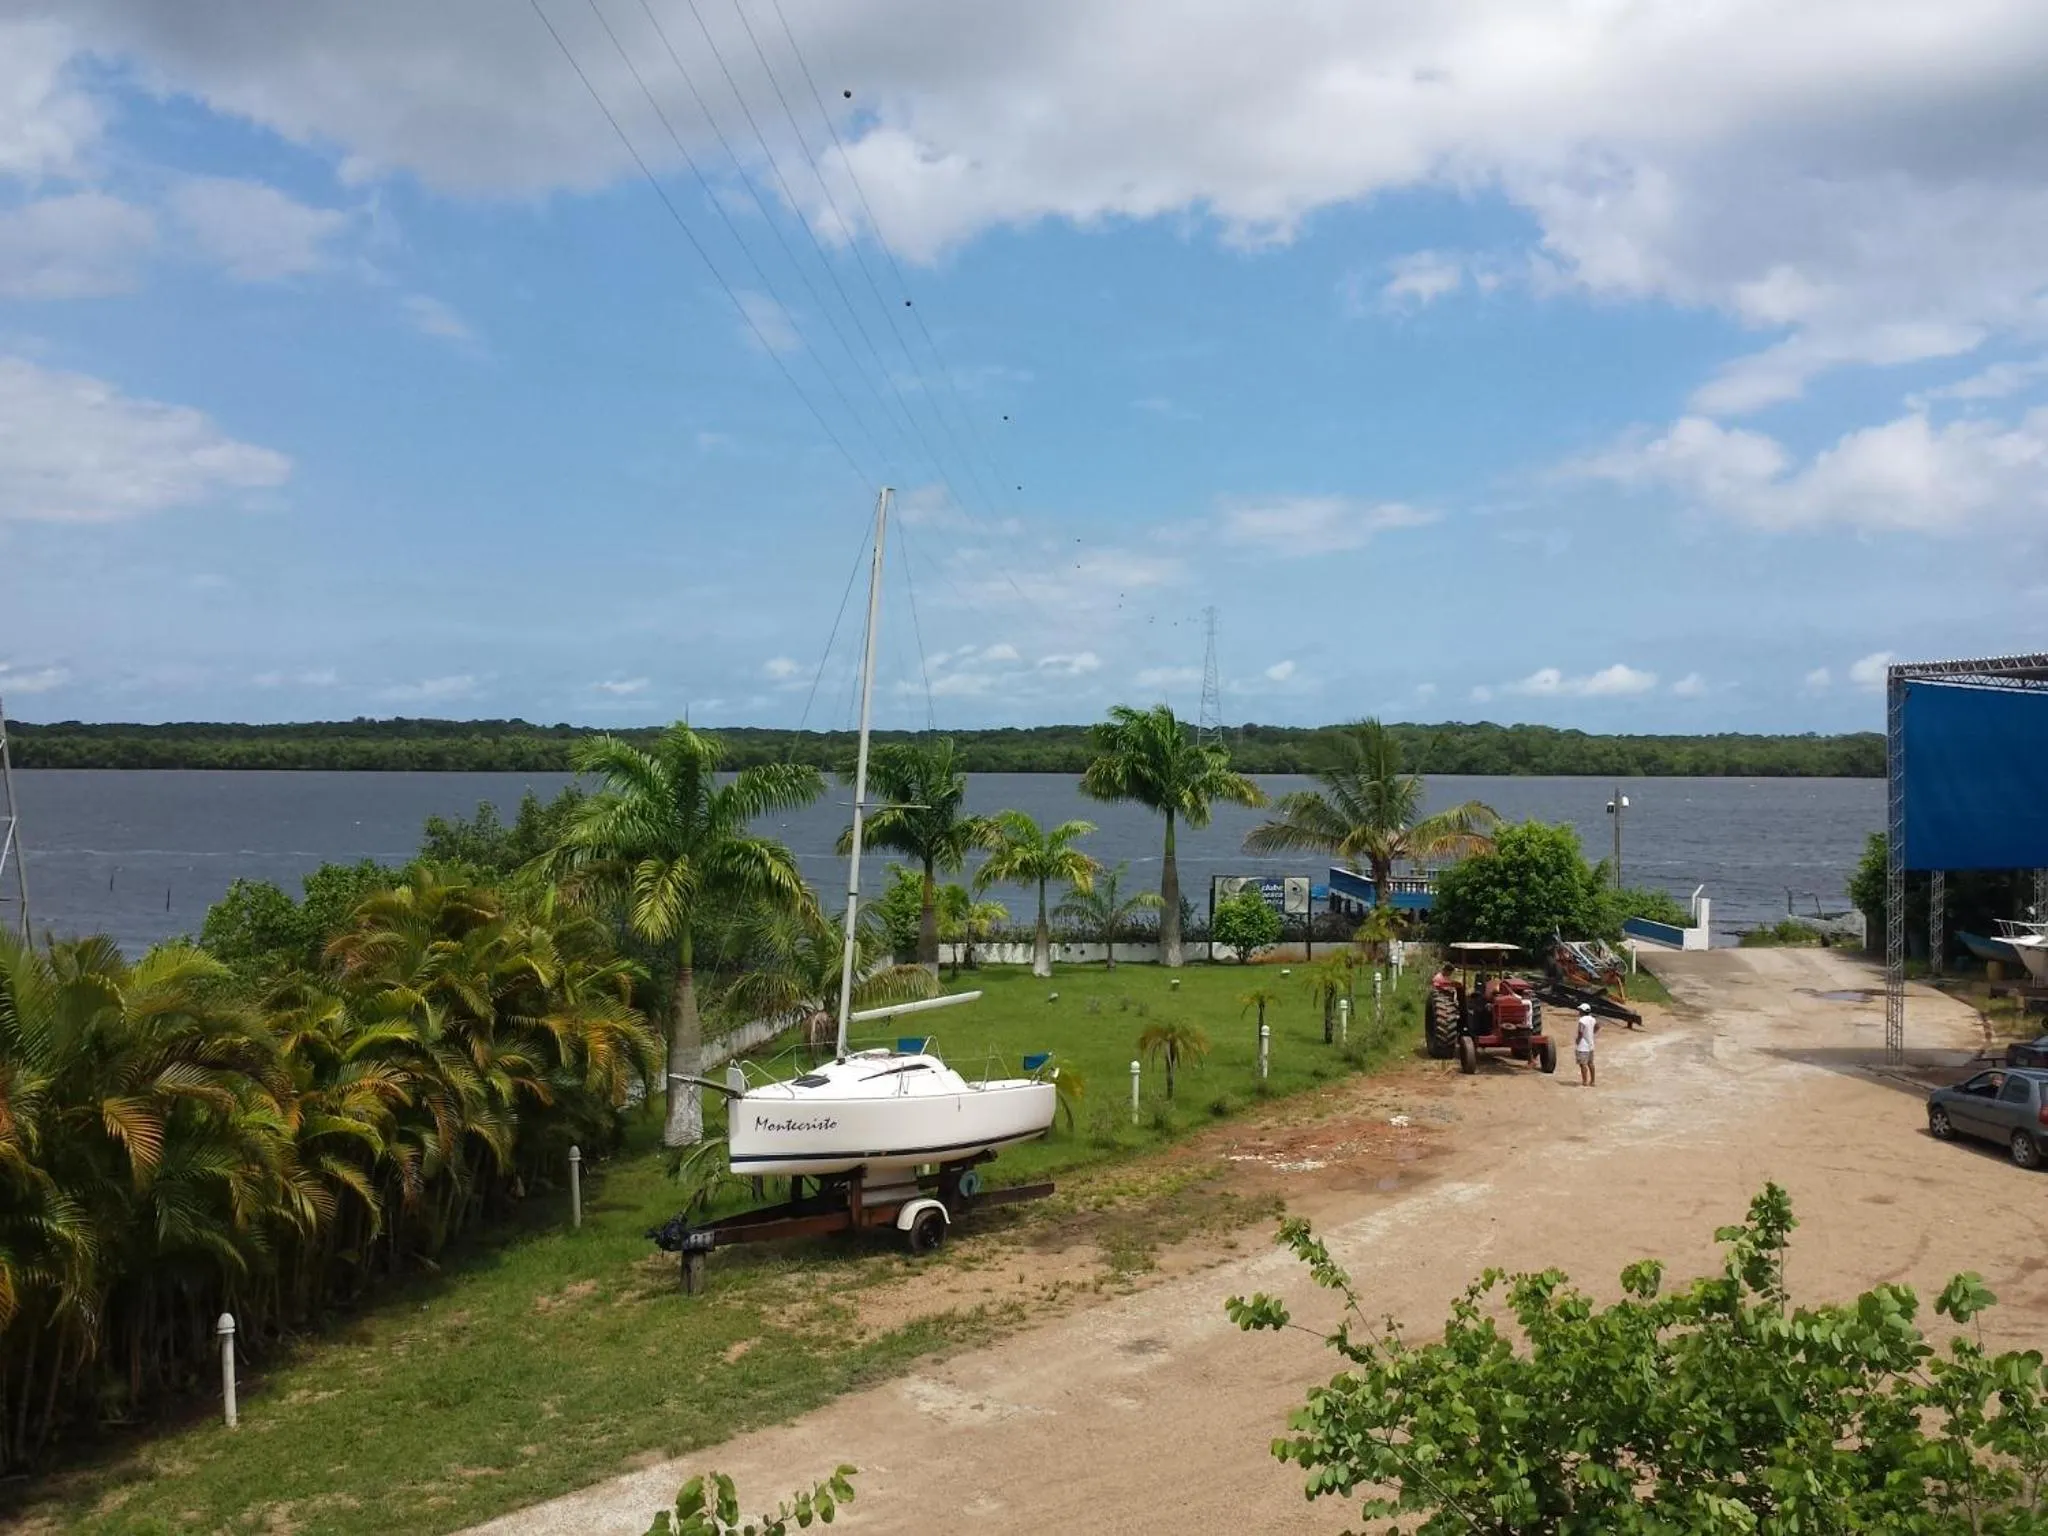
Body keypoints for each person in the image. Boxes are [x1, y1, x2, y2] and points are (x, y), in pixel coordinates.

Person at [1575, 1002, 1599, 1087]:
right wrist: (1592, 1033)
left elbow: (1580, 1032)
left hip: (1583, 1045)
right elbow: (1597, 1027)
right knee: (1591, 1063)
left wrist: (1577, 1040)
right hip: (1591, 1044)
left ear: (1582, 1011)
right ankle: (1592, 1081)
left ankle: (1585, 1081)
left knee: (1583, 1064)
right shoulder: (1593, 1019)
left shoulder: (1582, 1020)